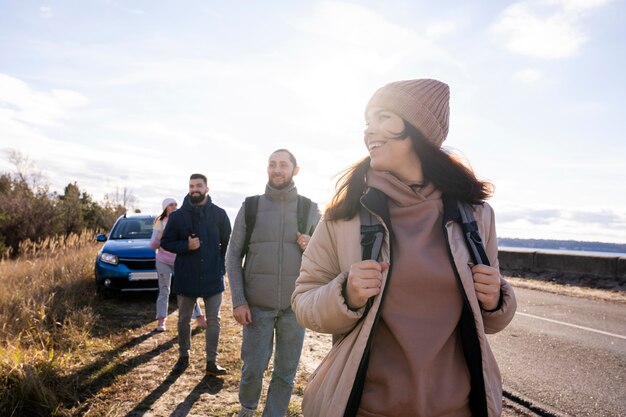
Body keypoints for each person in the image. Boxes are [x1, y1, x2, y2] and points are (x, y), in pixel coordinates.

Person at [291, 79, 517, 417]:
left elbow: (490, 319)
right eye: (368, 121)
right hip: (365, 407)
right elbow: (303, 301)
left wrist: (498, 299)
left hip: (458, 409)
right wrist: (345, 294)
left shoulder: (476, 215)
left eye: (384, 117)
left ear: (419, 130)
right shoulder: (344, 214)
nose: (369, 131)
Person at [226, 149, 321, 417]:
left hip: (295, 308)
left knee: (286, 371)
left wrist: (310, 246)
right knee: (253, 367)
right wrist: (239, 300)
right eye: (272, 164)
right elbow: (233, 255)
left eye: (283, 165)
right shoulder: (251, 207)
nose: (277, 169)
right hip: (257, 307)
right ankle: (247, 409)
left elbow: (325, 257)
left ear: (295, 169)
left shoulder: (309, 208)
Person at [160, 174, 231, 374]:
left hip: (212, 276)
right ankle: (183, 356)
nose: (194, 189)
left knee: (214, 320)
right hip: (186, 275)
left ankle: (211, 362)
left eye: (199, 185)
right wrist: (186, 245)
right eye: (191, 186)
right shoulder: (177, 216)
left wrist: (221, 267)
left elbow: (229, 243)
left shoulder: (219, 214)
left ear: (207, 188)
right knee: (183, 319)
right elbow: (166, 242)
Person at [149, 197, 206, 332]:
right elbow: (153, 245)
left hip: (180, 260)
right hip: (163, 260)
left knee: (188, 288)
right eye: (171, 205)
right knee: (164, 290)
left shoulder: (181, 220)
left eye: (175, 204)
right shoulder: (159, 222)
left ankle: (199, 317)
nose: (174, 206)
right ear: (165, 208)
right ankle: (161, 320)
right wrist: (160, 235)